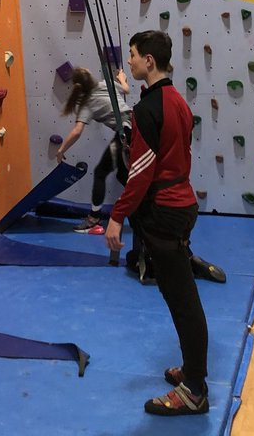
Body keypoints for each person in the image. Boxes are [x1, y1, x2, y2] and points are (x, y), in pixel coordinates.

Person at [105, 30, 209, 417]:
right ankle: (192, 370)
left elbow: (141, 173)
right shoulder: (176, 101)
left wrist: (117, 216)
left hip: (164, 211)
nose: (129, 61)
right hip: (181, 204)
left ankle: (195, 389)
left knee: (182, 301)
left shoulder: (148, 109)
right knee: (178, 294)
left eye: (133, 55)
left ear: (149, 61)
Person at [57, 65, 132, 234]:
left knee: (100, 172)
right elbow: (126, 89)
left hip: (126, 133)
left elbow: (77, 131)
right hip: (134, 127)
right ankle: (148, 203)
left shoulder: (86, 104)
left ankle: (93, 218)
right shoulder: (106, 84)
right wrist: (122, 79)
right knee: (122, 174)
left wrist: (61, 150)